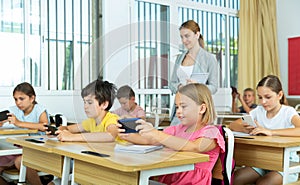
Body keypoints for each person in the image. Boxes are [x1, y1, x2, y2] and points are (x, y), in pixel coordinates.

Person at [118, 83, 225, 185]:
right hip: (168, 181)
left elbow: (194, 147)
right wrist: (126, 135)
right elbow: (150, 140)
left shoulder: (211, 132)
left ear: (201, 108)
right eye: (177, 107)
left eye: (183, 106)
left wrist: (156, 133)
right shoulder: (176, 129)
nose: (178, 111)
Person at [229, 75, 300, 185]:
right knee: (235, 179)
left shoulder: (288, 112)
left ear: (279, 95)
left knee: (263, 183)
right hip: (262, 162)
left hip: (285, 164)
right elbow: (233, 124)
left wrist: (271, 132)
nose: (263, 102)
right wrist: (246, 129)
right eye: (260, 97)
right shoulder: (259, 111)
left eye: (267, 97)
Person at [169, 20, 218, 125]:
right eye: (182, 37)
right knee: (172, 137)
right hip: (180, 110)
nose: (184, 40)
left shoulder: (209, 59)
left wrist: (197, 86)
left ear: (197, 34)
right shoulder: (179, 58)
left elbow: (214, 87)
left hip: (197, 111)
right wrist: (180, 87)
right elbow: (172, 83)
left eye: (187, 36)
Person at [0, 82, 49, 185]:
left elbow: (44, 126)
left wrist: (18, 123)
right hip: (19, 149)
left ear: (32, 98)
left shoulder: (39, 109)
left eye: (21, 99)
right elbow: (5, 119)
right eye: (15, 99)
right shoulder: (14, 110)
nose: (18, 103)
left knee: (20, 161)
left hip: (37, 149)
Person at [55, 79, 121, 142]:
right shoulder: (92, 121)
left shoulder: (112, 119)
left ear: (104, 104)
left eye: (90, 103)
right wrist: (57, 131)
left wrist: (72, 137)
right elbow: (67, 128)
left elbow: (110, 135)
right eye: (84, 102)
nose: (85, 107)